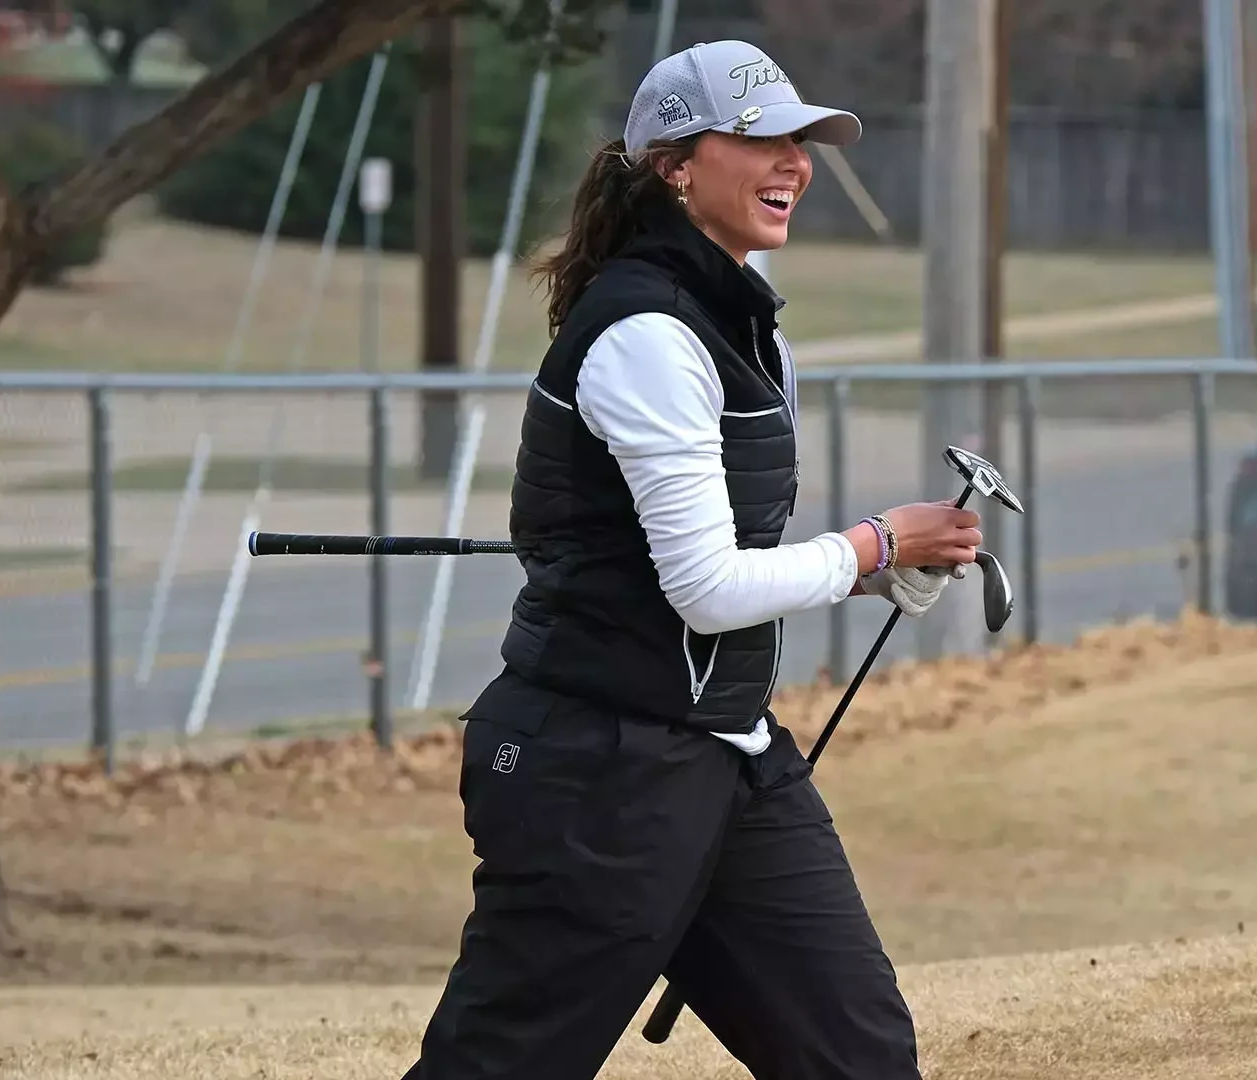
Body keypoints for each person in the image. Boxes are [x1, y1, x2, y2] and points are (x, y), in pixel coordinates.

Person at [400, 38, 979, 1080]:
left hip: (728, 757)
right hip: (598, 773)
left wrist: (871, 569)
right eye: (761, 140)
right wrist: (876, 542)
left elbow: (722, 558)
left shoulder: (745, 325)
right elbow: (708, 590)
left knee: (860, 1057)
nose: (794, 161)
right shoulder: (646, 335)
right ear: (675, 166)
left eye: (801, 140)